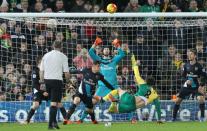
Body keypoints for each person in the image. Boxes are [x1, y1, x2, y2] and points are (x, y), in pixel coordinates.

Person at [103, 54, 163, 123]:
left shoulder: (143, 83)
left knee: (118, 90)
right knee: (114, 111)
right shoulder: (155, 94)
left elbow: (136, 72)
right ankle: (115, 104)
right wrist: (159, 119)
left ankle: (105, 99)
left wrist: (133, 60)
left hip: (131, 99)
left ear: (146, 81)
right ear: (153, 84)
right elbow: (158, 107)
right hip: (132, 107)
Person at [24, 56, 68, 124]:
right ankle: (27, 120)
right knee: (36, 104)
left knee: (58, 103)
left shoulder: (48, 70)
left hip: (48, 90)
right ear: (40, 62)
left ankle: (66, 119)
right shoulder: (35, 71)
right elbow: (34, 84)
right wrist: (42, 91)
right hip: (38, 91)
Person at [39, 41, 70, 129]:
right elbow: (66, 73)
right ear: (61, 47)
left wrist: (42, 82)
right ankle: (50, 125)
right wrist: (68, 82)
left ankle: (55, 123)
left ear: (53, 46)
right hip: (56, 81)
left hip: (46, 80)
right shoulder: (63, 56)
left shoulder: (46, 55)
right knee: (54, 103)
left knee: (55, 102)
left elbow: (41, 71)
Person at [172, 49, 206, 122]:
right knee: (177, 101)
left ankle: (202, 118)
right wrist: (186, 80)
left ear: (195, 56)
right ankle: (173, 118)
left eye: (191, 54)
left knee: (201, 99)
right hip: (186, 87)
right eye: (188, 54)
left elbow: (204, 77)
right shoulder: (186, 65)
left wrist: (201, 85)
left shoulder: (199, 66)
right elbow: (183, 76)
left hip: (195, 87)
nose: (189, 55)